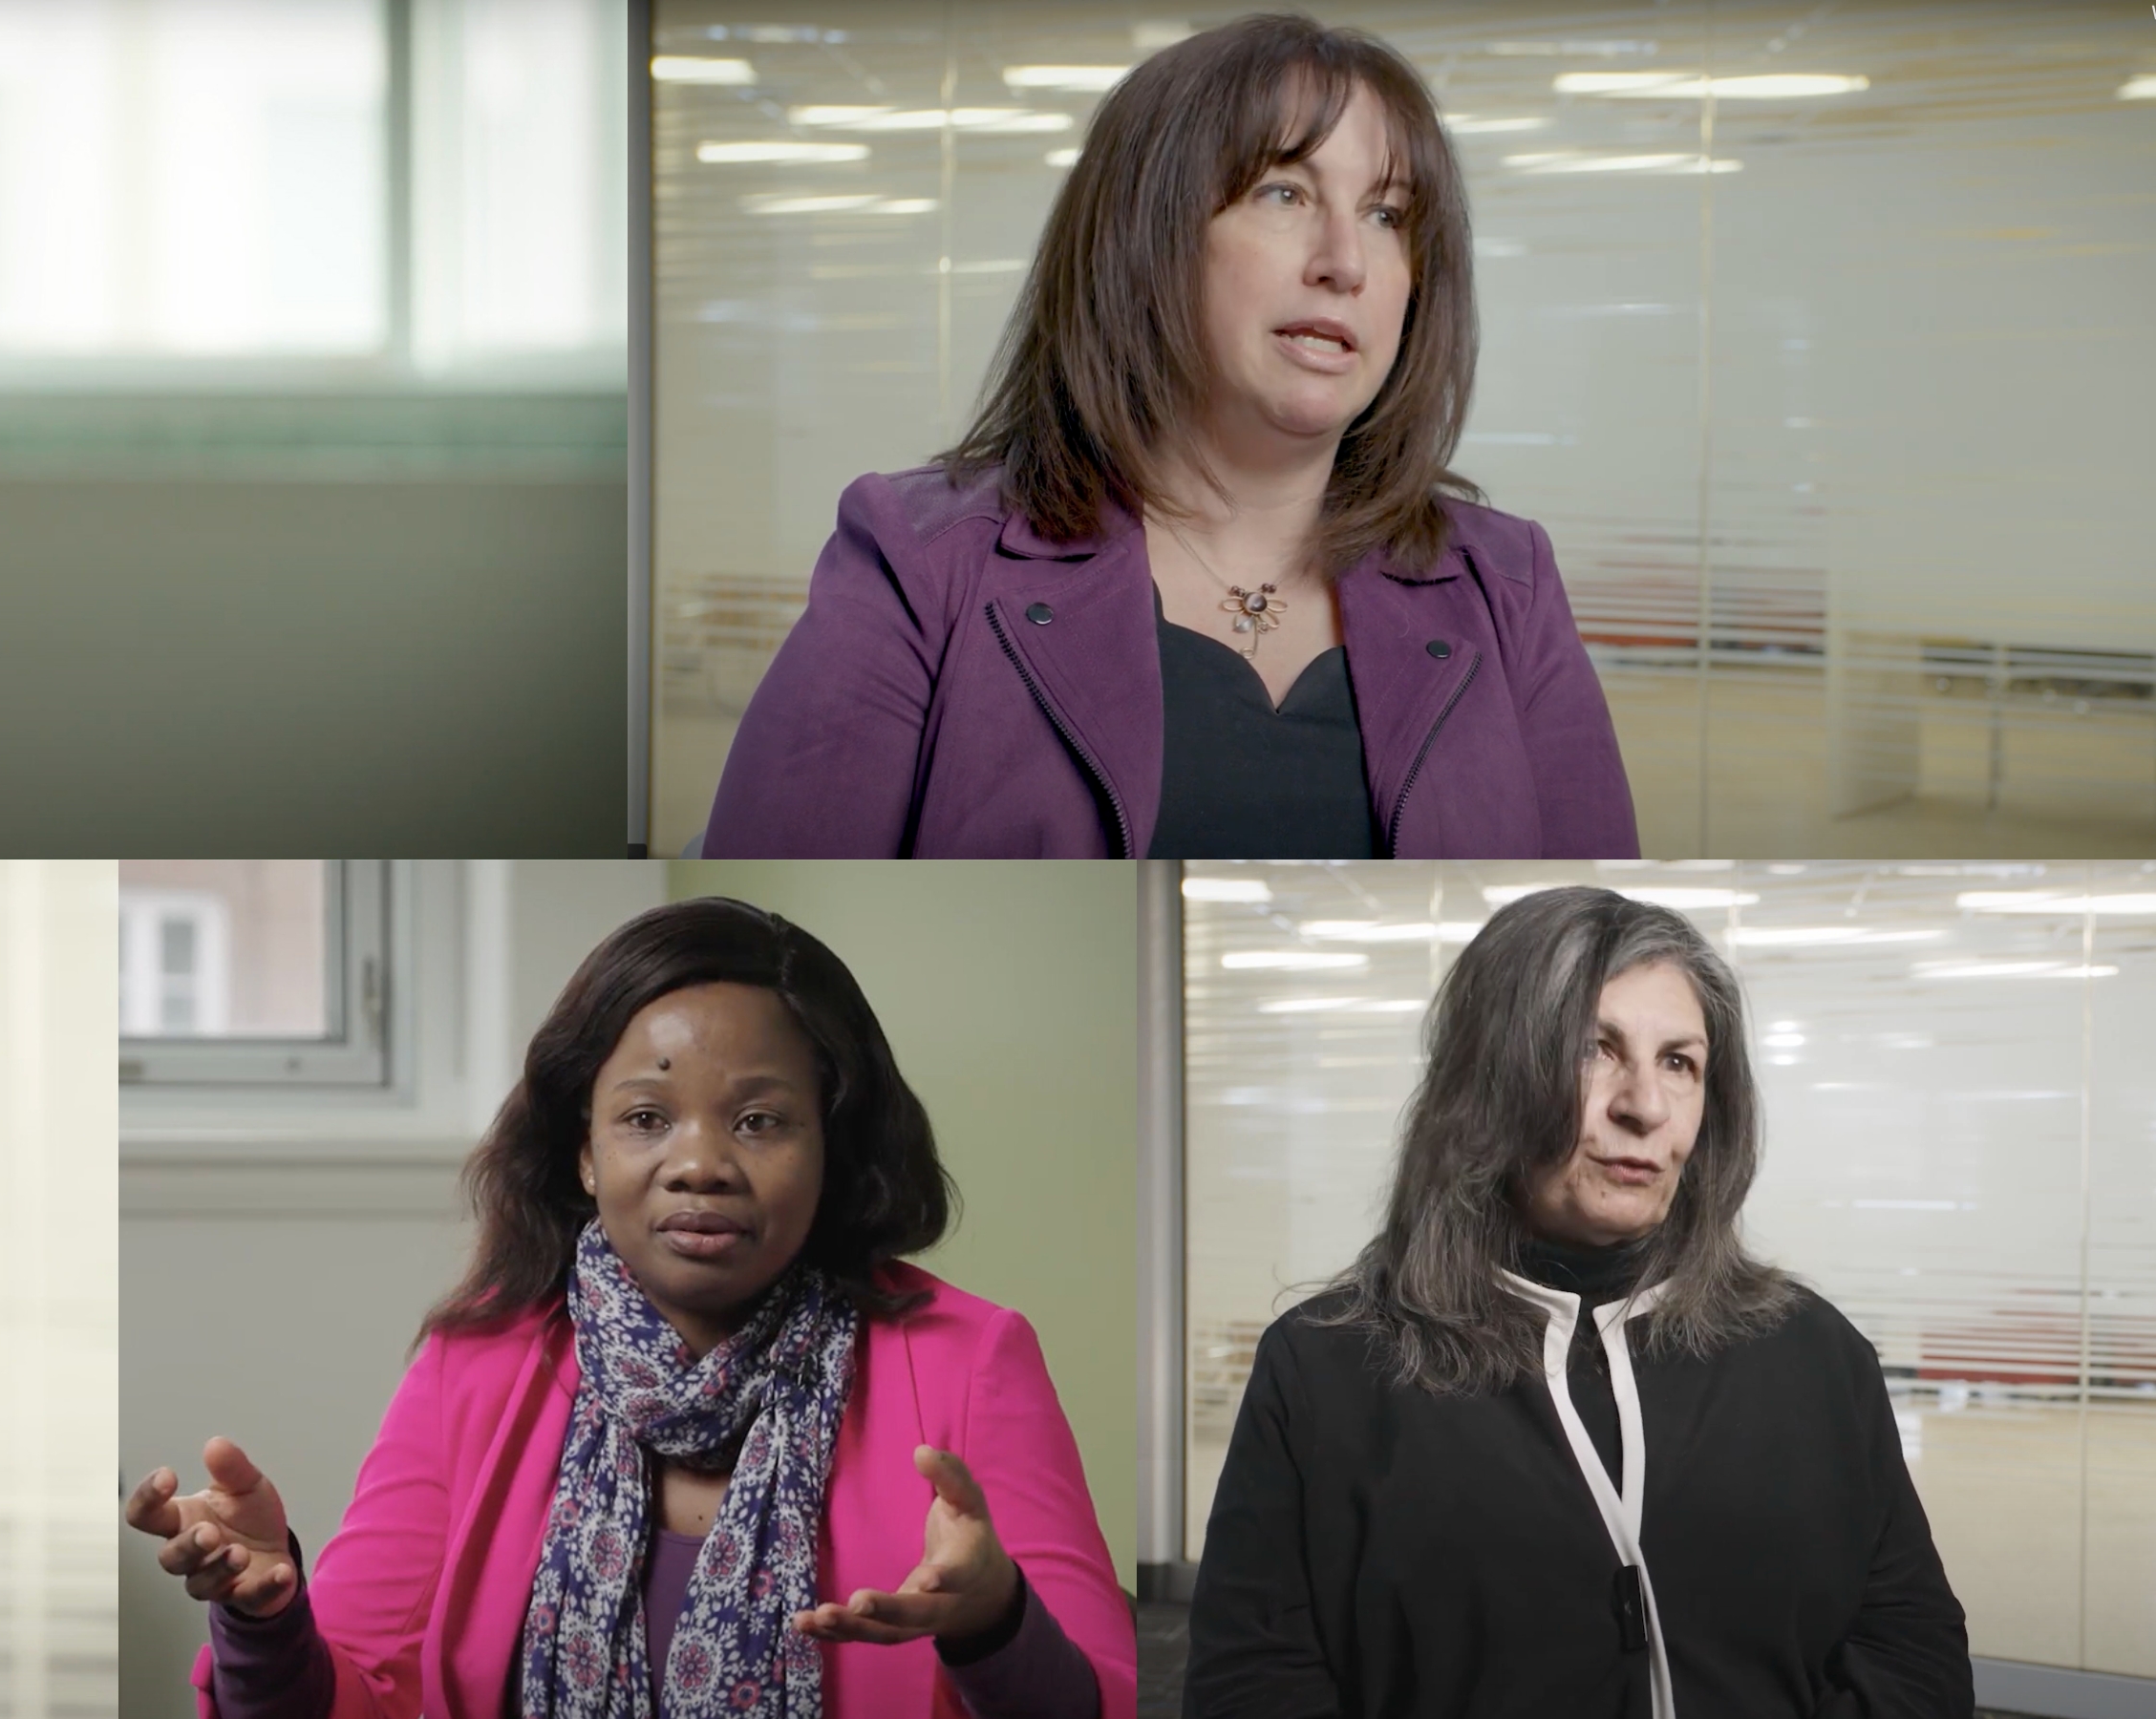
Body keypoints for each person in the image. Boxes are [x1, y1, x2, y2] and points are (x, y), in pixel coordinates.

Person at [129, 898, 1139, 1718]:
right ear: (583, 1148)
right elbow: (352, 1700)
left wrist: (992, 1622)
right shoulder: (471, 1364)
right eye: (645, 1118)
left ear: (832, 1148)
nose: (698, 1164)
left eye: (759, 1120)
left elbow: (1097, 1704)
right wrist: (264, 1620)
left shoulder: (968, 1360)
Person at [702, 13, 1635, 860]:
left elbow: (1579, 918)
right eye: (1282, 193)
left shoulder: (1505, 585)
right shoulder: (919, 563)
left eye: (1386, 215)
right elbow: (761, 919)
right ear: (1144, 236)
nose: (1344, 262)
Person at [1186, 886, 1969, 1717]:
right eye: (1594, 1050)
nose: (1645, 1106)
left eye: (1679, 1061)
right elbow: (1255, 1685)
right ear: (1487, 1079)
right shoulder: (1325, 1369)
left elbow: (1912, 1655)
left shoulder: (1814, 1356)